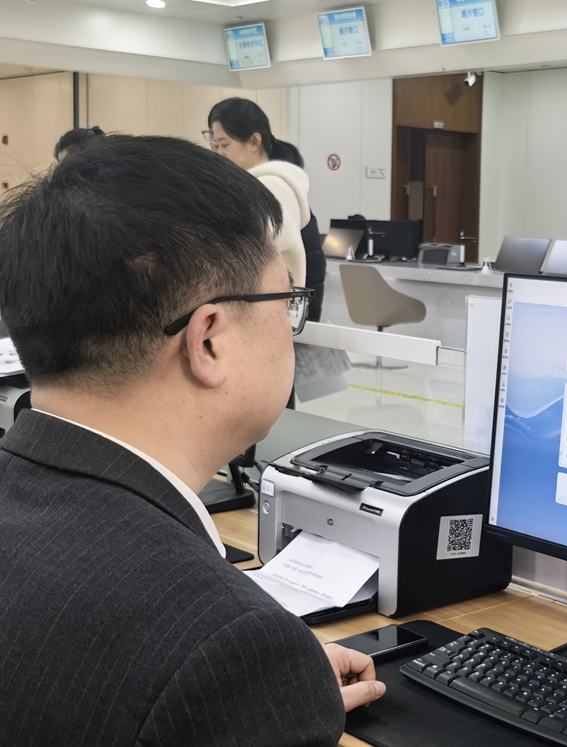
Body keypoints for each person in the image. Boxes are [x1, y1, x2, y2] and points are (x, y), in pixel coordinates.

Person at [0, 135, 384, 745]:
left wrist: (277, 700)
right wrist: (258, 690)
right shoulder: (228, 648)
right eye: (287, 300)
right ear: (208, 340)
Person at [207, 101, 325, 322]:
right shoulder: (261, 185)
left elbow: (260, 257)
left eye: (225, 145)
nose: (220, 154)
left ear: (255, 141)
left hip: (276, 315)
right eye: (215, 147)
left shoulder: (272, 187)